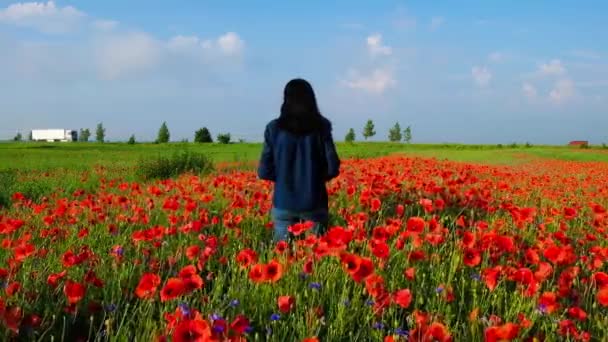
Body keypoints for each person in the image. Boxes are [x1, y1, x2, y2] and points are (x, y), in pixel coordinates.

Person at [258, 78, 341, 242]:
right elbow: (332, 167)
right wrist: (313, 179)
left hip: (283, 204)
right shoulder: (322, 127)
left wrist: (284, 178)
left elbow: (264, 171)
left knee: (284, 261)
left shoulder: (273, 128)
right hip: (314, 203)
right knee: (312, 259)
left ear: (286, 99)